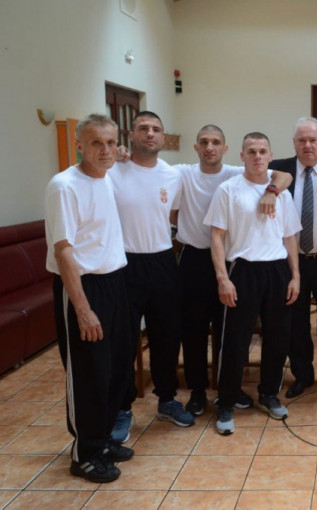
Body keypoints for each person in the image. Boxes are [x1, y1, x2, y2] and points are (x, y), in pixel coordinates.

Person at [170, 125, 292, 416]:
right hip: (195, 258)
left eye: (215, 142)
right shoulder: (182, 173)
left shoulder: (236, 171)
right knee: (194, 328)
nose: (209, 147)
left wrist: (272, 191)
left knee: (230, 331)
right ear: (196, 147)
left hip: (229, 259)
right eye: (203, 142)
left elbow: (283, 176)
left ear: (226, 149)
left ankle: (230, 389)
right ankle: (198, 391)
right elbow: (169, 208)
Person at [44, 114, 134, 482]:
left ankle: (103, 439)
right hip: (82, 287)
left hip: (115, 281)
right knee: (88, 373)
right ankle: (84, 453)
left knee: (116, 369)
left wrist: (122, 155)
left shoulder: (107, 177)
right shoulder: (64, 186)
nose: (106, 150)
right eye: (97, 143)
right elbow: (63, 250)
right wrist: (82, 309)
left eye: (111, 142)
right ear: (79, 145)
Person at [204, 132, 301, 435]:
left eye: (262, 151)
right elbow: (217, 236)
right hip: (242, 270)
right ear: (242, 156)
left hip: (277, 271)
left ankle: (269, 393)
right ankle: (226, 401)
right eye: (251, 151)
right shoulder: (228, 190)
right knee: (235, 340)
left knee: (278, 337)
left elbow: (290, 236)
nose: (257, 156)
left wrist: (295, 275)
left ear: (270, 156)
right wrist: (222, 278)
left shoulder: (282, 193)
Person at [109, 111, 193, 440]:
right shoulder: (112, 170)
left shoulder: (173, 175)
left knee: (167, 336)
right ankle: (122, 408)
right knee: (124, 340)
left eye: (156, 129)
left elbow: (171, 215)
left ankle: (167, 399)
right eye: (143, 128)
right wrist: (114, 152)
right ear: (130, 135)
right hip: (124, 263)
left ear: (162, 136)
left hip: (162, 262)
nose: (150, 133)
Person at [271, 117, 317, 398]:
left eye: (313, 140)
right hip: (292, 261)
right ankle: (302, 374)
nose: (308, 145)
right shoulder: (279, 170)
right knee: (296, 320)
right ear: (294, 143)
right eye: (302, 140)